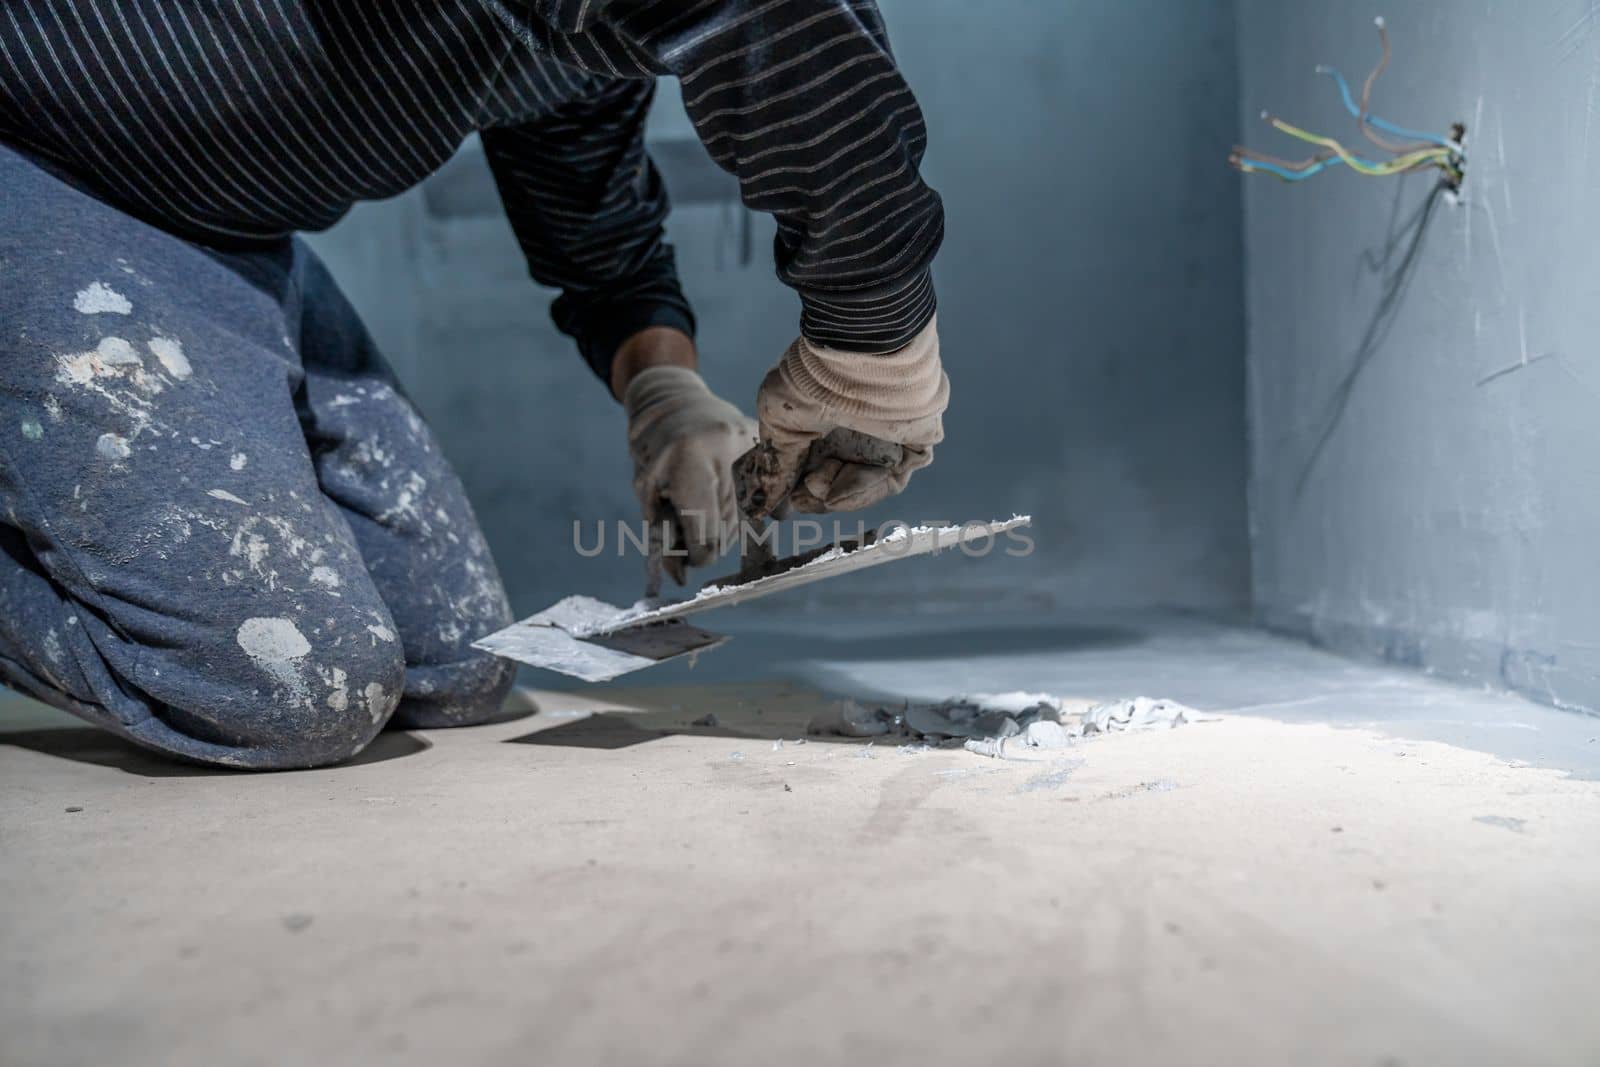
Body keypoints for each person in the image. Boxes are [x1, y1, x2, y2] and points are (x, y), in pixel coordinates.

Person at [0, 0, 949, 769]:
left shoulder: (573, 32)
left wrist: (666, 396)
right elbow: (769, 18)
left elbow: (601, 238)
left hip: (238, 241)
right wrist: (876, 345)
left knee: (454, 667)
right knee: (289, 693)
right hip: (46, 166)